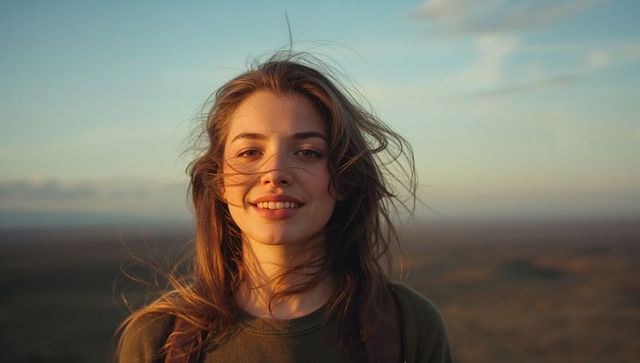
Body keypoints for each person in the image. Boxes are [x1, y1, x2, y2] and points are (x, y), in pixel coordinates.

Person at [116, 51, 453, 363]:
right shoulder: (158, 340)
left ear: (344, 178)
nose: (275, 174)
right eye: (250, 153)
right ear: (218, 180)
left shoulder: (408, 327)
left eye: (307, 152)